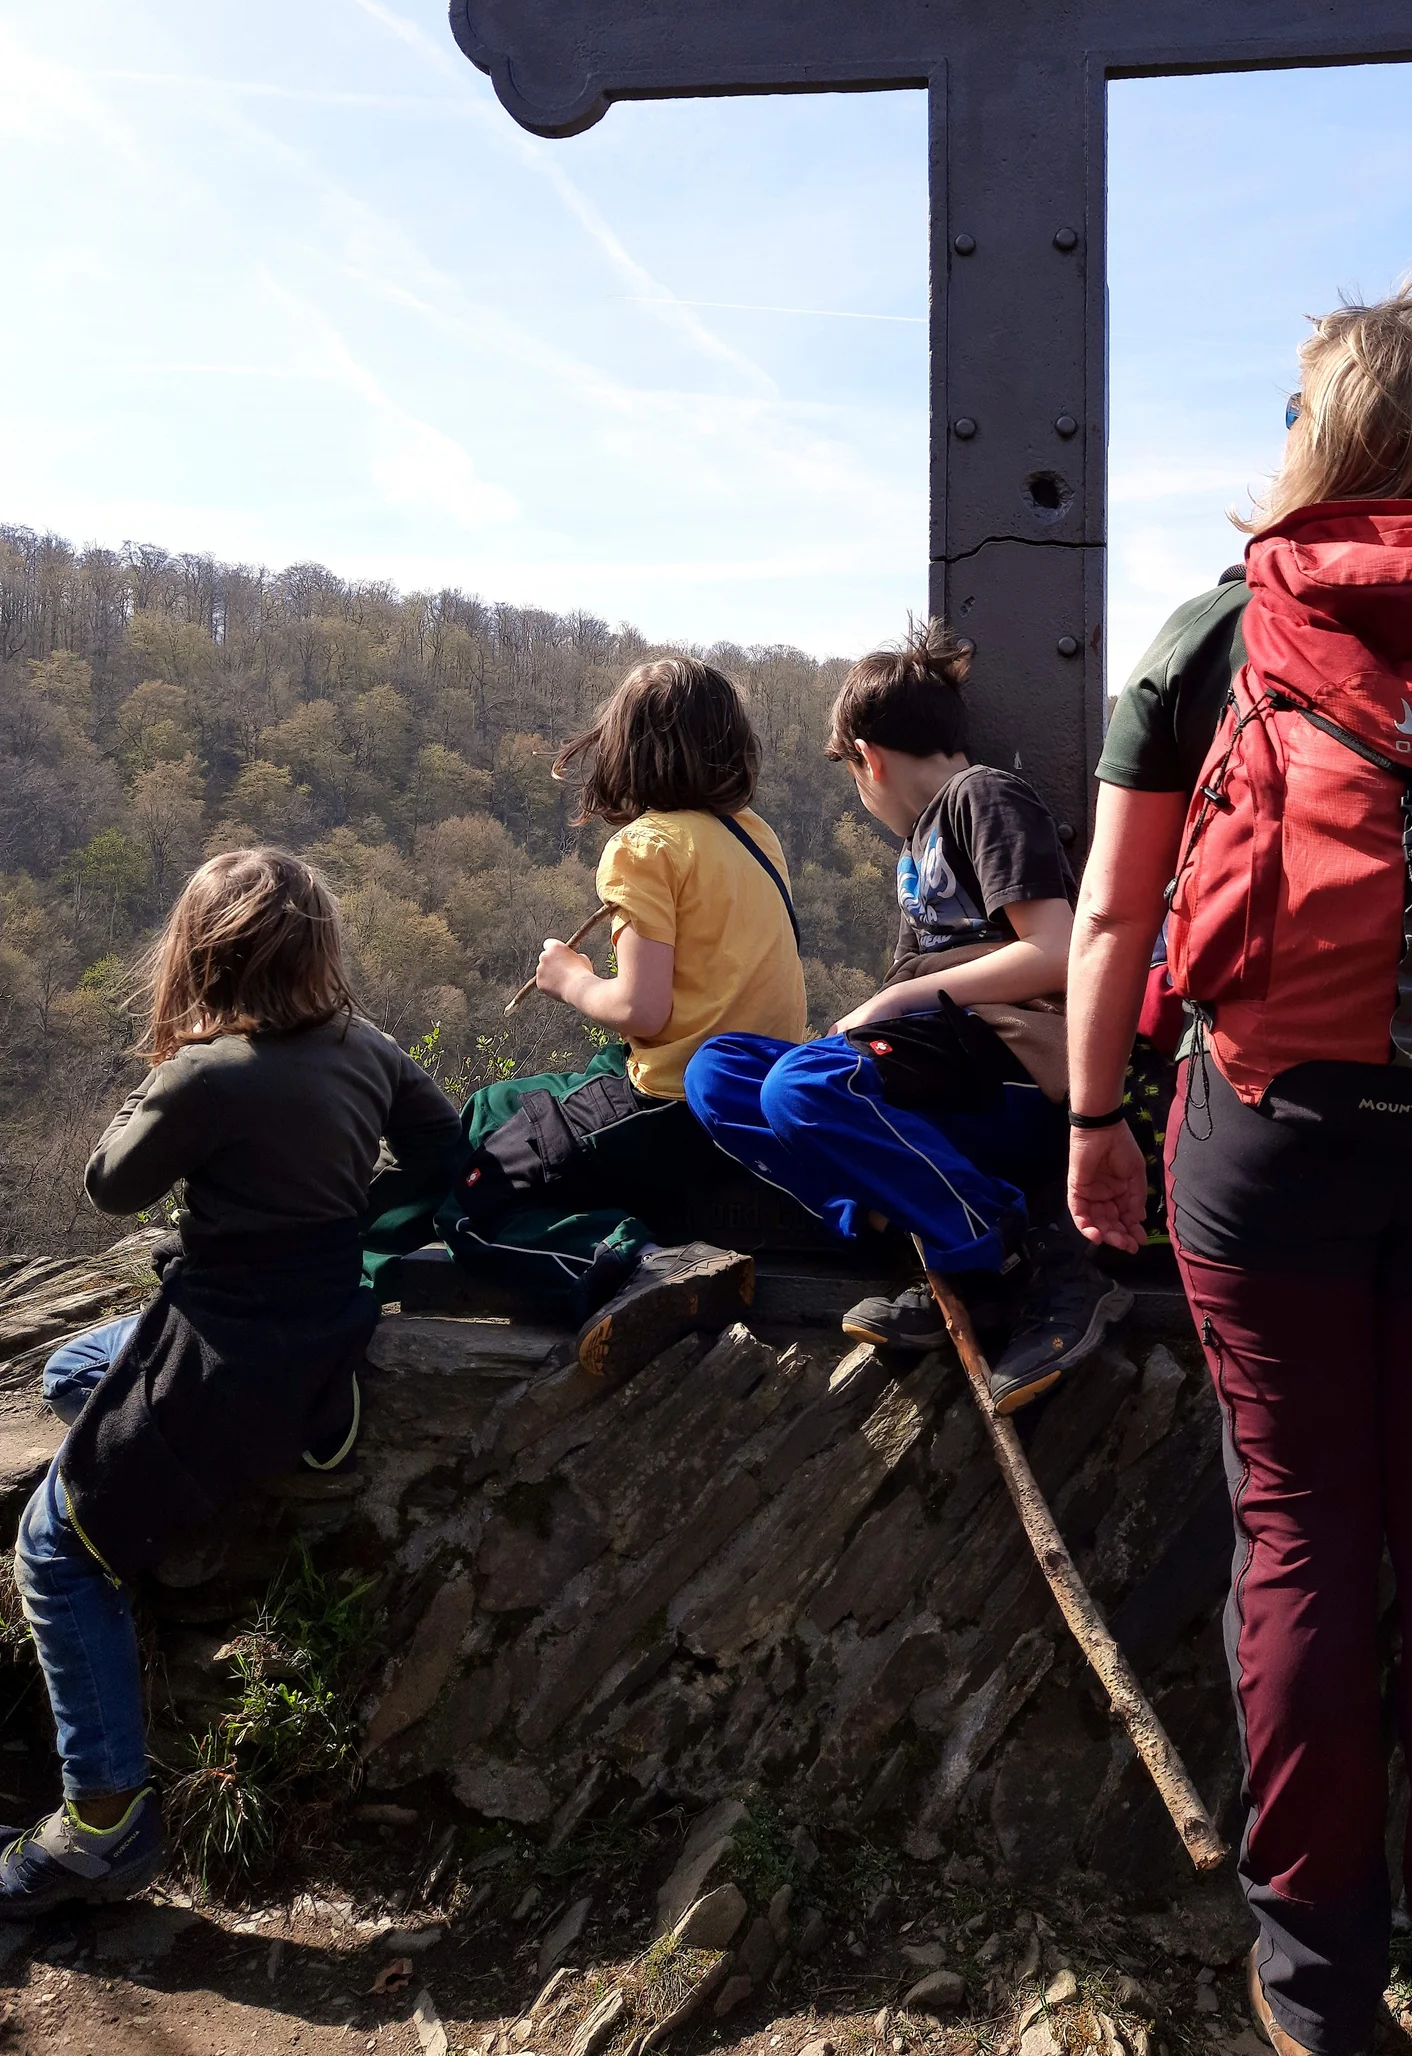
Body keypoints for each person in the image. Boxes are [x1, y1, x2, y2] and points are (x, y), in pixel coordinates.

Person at [1064, 274, 1412, 2056]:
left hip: (1274, 1146)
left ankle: (1315, 1985)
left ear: (1311, 437)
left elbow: (1112, 920)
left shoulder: (1209, 638)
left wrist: (1094, 1122)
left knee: (1301, 1531)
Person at [3, 850, 466, 1914]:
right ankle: (268, 1433)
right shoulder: (369, 1049)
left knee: (55, 1549)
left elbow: (111, 1186)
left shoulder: (206, 1075)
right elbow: (443, 1155)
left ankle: (102, 1826)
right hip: (322, 1319)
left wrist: (167, 1066)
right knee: (75, 1370)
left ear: (200, 958)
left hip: (221, 1340)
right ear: (319, 953)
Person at [685, 624, 1132, 1410]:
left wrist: (893, 1001)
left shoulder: (984, 797)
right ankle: (907, 1223)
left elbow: (1059, 951)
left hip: (1012, 1064)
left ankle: (997, 1246)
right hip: (946, 1062)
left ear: (870, 759)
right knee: (719, 1072)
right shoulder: (915, 853)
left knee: (799, 1088)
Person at [438, 653, 810, 1364]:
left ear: (625, 752)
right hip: (747, 1095)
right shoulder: (754, 835)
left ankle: (638, 1264)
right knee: (498, 1105)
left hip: (673, 1111)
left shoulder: (642, 849)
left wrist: (570, 979)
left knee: (475, 1200)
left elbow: (642, 1009)